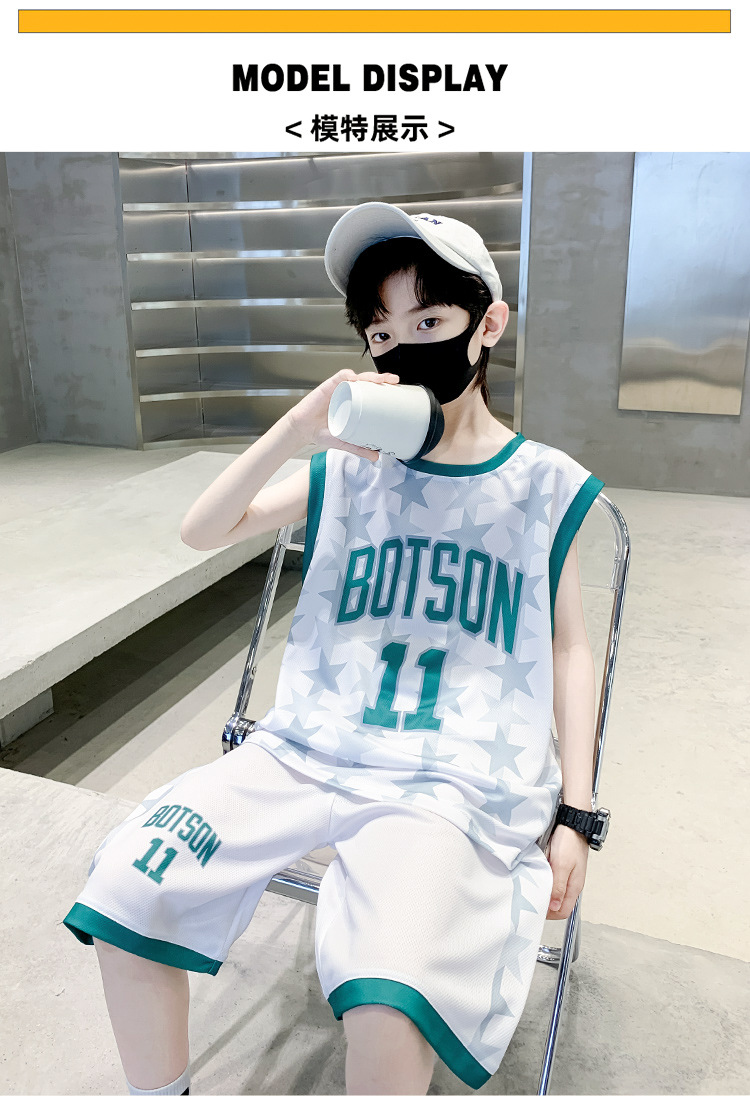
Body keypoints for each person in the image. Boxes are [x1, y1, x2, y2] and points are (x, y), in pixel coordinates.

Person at [62, 202, 604, 1095]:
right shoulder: (353, 467)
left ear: (488, 325)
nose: (402, 347)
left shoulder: (542, 484)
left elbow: (569, 647)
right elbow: (203, 529)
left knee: (389, 997)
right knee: (129, 886)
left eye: (429, 322)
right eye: (381, 333)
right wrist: (297, 432)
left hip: (455, 776)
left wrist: (576, 814)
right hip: (306, 748)